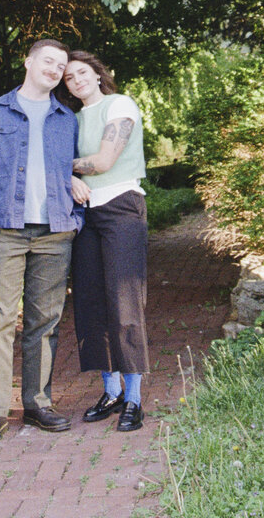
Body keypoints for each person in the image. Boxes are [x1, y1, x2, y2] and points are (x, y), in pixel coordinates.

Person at [0, 38, 84, 444]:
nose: (54, 70)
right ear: (28, 62)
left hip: (55, 232)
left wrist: (75, 221)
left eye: (61, 66)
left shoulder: (67, 119)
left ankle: (37, 404)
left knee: (45, 322)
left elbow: (77, 173)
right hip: (4, 230)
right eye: (48, 61)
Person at [61, 50, 149, 432]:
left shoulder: (119, 105)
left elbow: (104, 161)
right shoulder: (70, 120)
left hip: (121, 208)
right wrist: (67, 177)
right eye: (69, 77)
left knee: (125, 303)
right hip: (84, 214)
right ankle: (111, 392)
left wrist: (61, 168)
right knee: (90, 303)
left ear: (98, 74)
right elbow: (71, 168)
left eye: (82, 72)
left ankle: (134, 399)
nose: (76, 80)